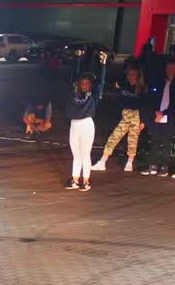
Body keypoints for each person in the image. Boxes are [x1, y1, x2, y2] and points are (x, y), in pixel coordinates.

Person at [92, 62, 150, 172]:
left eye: (134, 74)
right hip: (125, 114)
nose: (131, 76)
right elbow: (114, 81)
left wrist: (143, 120)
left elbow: (144, 105)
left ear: (138, 75)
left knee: (132, 140)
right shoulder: (124, 85)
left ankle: (129, 162)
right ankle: (102, 161)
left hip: (135, 115)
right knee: (114, 137)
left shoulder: (141, 88)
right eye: (130, 74)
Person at [64, 51, 107, 191]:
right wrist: (77, 58)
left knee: (85, 154)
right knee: (76, 155)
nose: (84, 86)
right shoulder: (74, 92)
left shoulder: (93, 96)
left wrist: (103, 64)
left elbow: (101, 81)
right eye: (82, 83)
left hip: (87, 125)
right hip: (74, 125)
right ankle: (75, 179)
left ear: (90, 85)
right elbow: (74, 76)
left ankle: (86, 180)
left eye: (87, 84)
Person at [142, 58, 175, 176]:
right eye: (168, 68)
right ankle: (153, 165)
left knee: (166, 141)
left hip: (169, 116)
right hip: (157, 115)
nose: (170, 70)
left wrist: (165, 113)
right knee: (155, 140)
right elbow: (152, 98)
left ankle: (164, 166)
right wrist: (156, 112)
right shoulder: (160, 82)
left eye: (172, 68)